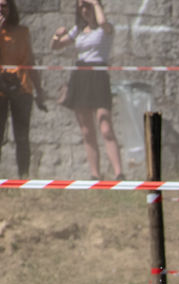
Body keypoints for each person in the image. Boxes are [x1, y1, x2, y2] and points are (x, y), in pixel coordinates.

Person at [50, 0, 122, 180]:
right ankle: (95, 175)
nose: (84, 9)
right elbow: (56, 47)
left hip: (98, 75)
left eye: (87, 5)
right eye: (81, 6)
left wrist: (95, 4)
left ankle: (119, 173)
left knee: (105, 127)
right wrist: (56, 36)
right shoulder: (78, 30)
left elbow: (103, 23)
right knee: (87, 130)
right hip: (81, 76)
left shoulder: (105, 28)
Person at [0, 0, 42, 178]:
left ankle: (23, 177)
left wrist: (40, 89)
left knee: (22, 137)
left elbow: (30, 61)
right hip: (0, 91)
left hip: (22, 88)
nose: (1, 10)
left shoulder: (22, 32)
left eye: (4, 5)